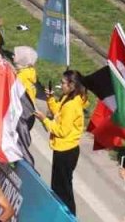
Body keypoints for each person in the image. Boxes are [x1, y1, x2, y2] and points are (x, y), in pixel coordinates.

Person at [35, 69, 87, 215]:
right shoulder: (68, 98)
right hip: (62, 149)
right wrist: (50, 99)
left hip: (66, 151)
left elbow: (61, 130)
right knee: (58, 187)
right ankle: (59, 214)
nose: (61, 85)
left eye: (63, 83)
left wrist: (44, 120)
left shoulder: (72, 105)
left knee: (64, 189)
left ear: (72, 85)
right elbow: (59, 112)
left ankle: (70, 216)